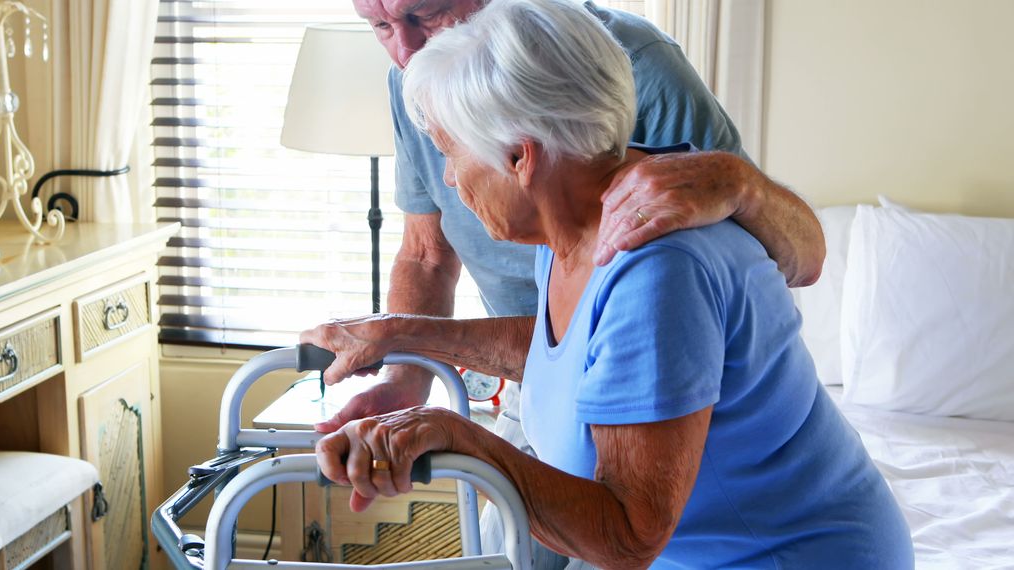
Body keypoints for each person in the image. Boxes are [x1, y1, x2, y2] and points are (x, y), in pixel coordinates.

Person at [304, 0, 914, 567]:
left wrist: (455, 435)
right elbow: (567, 355)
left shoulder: (654, 259)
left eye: (452, 155)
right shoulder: (569, 221)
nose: (449, 182)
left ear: (521, 157)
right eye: (381, 25)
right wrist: (397, 341)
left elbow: (627, 534)